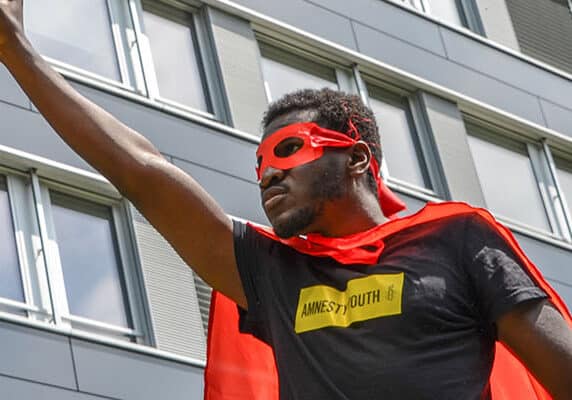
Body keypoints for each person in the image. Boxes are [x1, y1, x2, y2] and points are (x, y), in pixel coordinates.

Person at [0, 1, 571, 399]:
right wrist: (17, 50)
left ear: (356, 159)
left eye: (289, 149)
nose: (269, 174)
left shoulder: (457, 237)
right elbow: (142, 171)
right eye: (261, 164)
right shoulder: (273, 272)